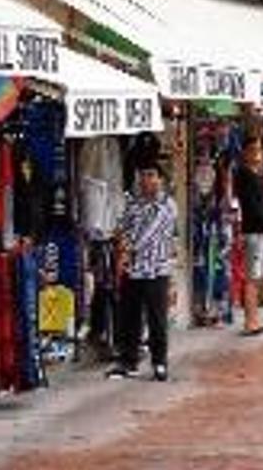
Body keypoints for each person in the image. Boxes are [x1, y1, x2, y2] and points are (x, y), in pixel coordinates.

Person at [106, 158, 178, 381]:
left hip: (156, 269)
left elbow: (150, 233)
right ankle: (129, 361)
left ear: (161, 179)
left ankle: (159, 362)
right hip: (133, 269)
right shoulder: (134, 203)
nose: (147, 180)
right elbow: (122, 226)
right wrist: (122, 244)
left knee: (157, 318)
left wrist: (129, 247)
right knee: (130, 316)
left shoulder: (167, 205)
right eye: (143, 176)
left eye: (151, 176)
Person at [234, 138, 263, 336]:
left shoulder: (256, 175)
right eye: (253, 150)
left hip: (262, 232)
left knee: (257, 277)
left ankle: (255, 320)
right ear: (246, 153)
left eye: (260, 149)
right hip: (254, 232)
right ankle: (250, 322)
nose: (258, 154)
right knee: (252, 278)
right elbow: (253, 206)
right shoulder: (244, 176)